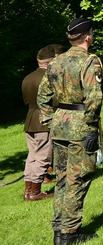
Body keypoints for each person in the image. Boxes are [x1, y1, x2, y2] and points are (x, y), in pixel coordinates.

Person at [36, 18, 103, 245]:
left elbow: (42, 95)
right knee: (78, 178)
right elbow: (94, 98)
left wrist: (48, 119)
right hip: (80, 124)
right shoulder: (89, 62)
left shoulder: (56, 62)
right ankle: (69, 232)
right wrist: (92, 127)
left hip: (60, 124)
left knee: (63, 179)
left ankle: (59, 228)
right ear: (88, 36)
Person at [22, 44, 62, 202]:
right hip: (44, 120)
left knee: (32, 156)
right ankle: (35, 191)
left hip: (30, 119)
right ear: (52, 60)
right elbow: (56, 101)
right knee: (43, 156)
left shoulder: (28, 78)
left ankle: (28, 190)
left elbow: (26, 101)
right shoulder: (49, 77)